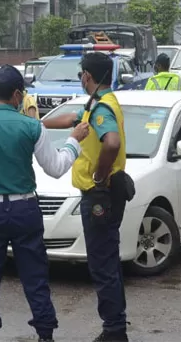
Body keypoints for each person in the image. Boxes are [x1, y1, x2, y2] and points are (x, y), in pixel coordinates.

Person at [0, 65, 89, 342]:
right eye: (22, 94)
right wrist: (73, 141)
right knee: (35, 277)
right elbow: (56, 168)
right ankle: (45, 333)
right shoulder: (32, 126)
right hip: (25, 210)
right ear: (15, 95)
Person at [43, 52, 129, 342]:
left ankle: (114, 331)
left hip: (99, 195)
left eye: (81, 74)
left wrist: (99, 176)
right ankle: (115, 325)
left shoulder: (102, 109)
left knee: (102, 264)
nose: (80, 78)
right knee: (107, 260)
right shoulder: (99, 104)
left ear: (87, 77)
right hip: (102, 194)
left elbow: (112, 143)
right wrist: (37, 123)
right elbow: (71, 118)